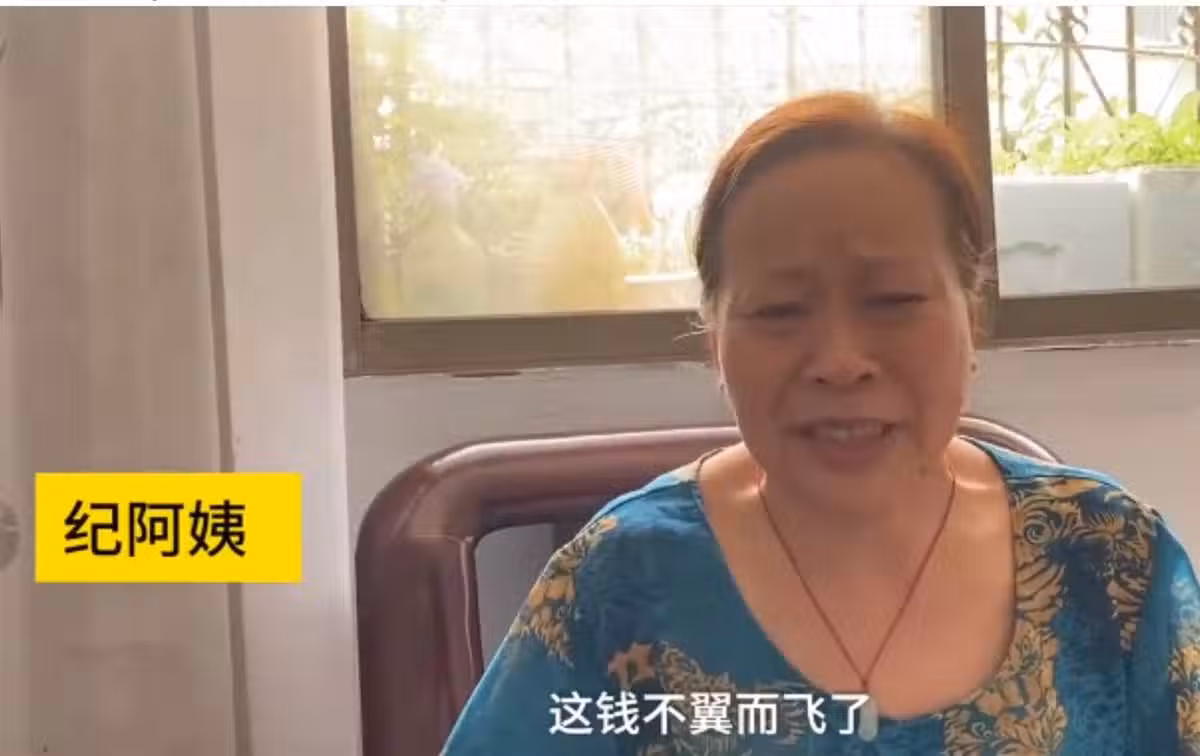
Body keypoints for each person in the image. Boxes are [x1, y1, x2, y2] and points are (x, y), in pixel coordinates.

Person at [439, 92, 1200, 755]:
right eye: (779, 310)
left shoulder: (1110, 560)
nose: (839, 361)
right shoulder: (618, 582)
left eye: (893, 301)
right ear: (713, 342)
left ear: (971, 314)